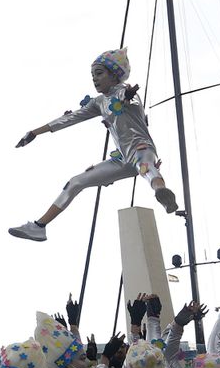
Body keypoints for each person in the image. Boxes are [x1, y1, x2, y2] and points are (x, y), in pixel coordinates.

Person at [9, 48, 178, 242]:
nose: (95, 79)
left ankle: (161, 192)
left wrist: (126, 95)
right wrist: (35, 132)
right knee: (75, 182)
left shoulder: (127, 92)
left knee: (145, 167)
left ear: (115, 75)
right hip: (121, 159)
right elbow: (71, 118)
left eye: (99, 73)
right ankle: (39, 227)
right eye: (93, 75)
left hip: (141, 149)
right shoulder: (98, 102)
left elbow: (127, 97)